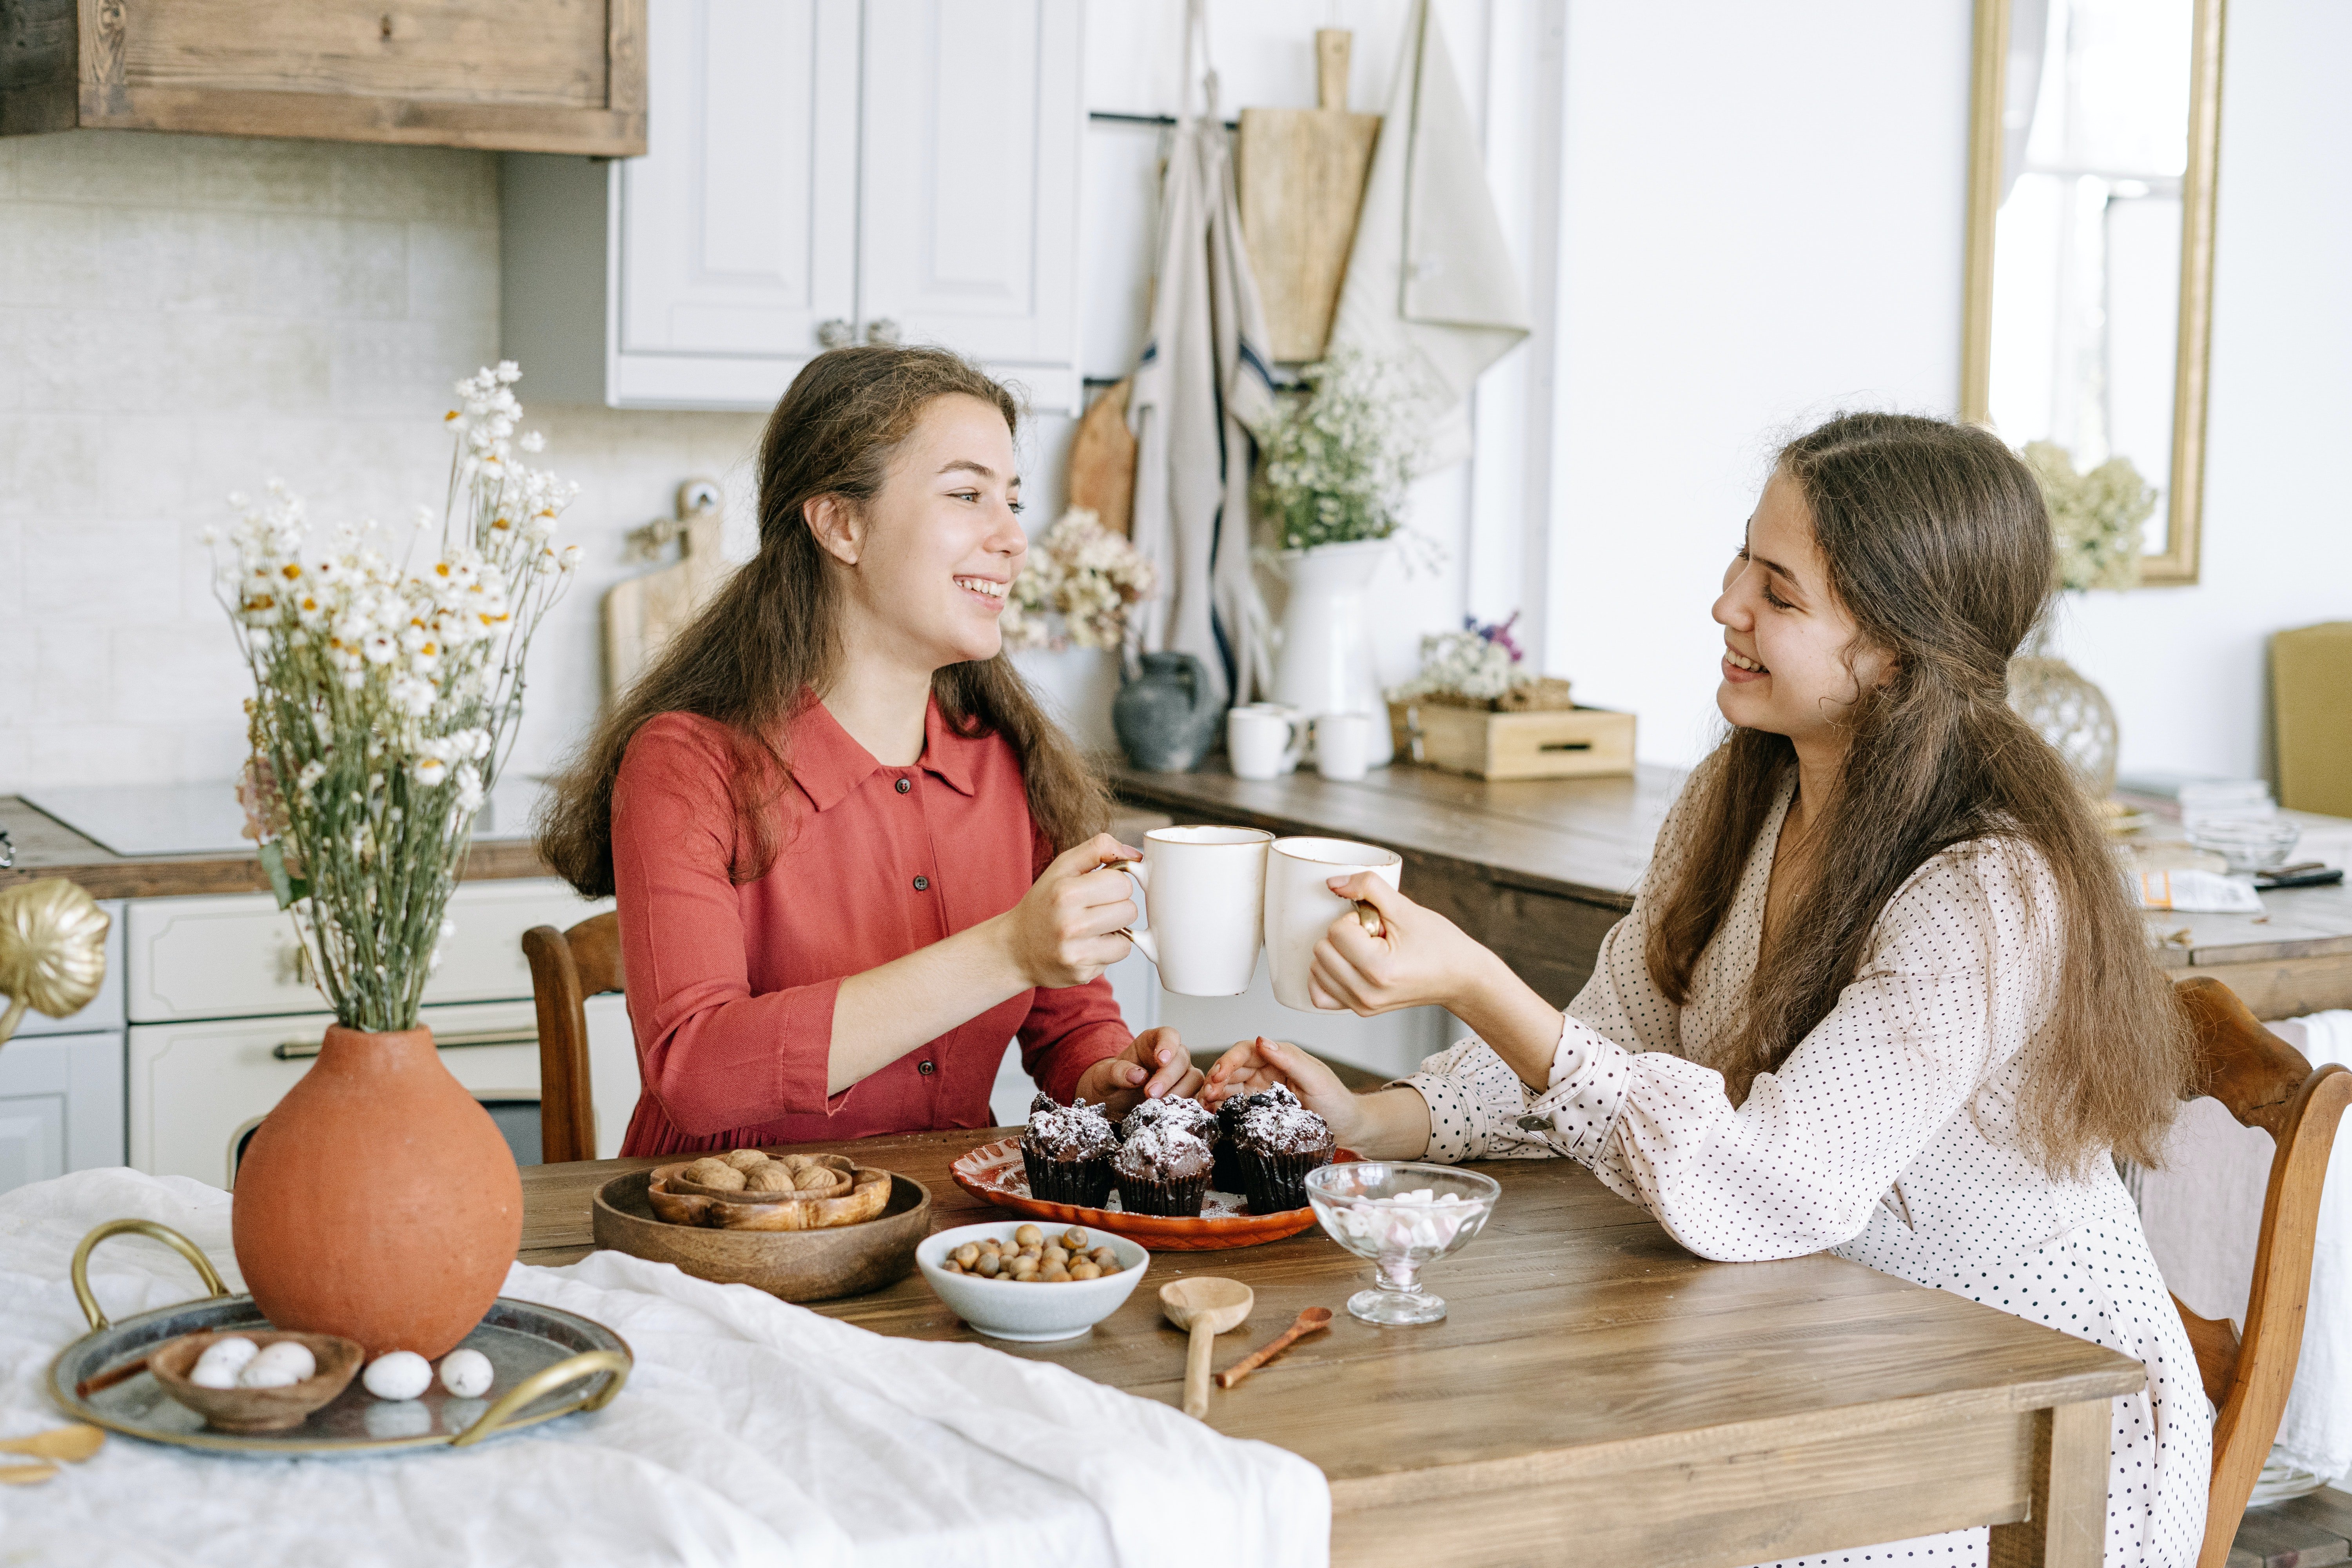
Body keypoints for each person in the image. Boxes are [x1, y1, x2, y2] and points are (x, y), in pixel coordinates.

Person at [1206, 413, 2208, 1568]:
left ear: (1894, 649)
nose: (1726, 603)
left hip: (2018, 1426)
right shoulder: (1745, 798)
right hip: (1810, 1351)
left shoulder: (1987, 891)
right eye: (1744, 560)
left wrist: (1479, 981)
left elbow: (1777, 1186)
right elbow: (1611, 1037)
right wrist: (1376, 1121)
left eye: (1779, 594)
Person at [539, 345, 1196, 1155]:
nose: (1014, 538)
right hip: (723, 1248)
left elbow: (1068, 1021)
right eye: (967, 494)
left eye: (1012, 501)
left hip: (948, 1242)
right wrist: (1004, 948)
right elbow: (697, 1072)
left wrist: (1112, 1074)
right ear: (841, 524)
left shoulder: (1008, 765)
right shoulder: (687, 763)